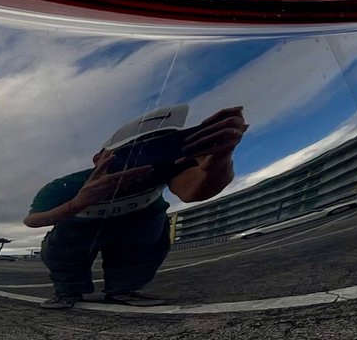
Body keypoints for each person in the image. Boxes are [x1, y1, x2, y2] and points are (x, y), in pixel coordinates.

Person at [24, 104, 247, 309]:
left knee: (148, 241)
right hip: (78, 231)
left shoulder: (164, 171)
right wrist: (77, 203)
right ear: (98, 158)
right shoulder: (67, 185)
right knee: (62, 249)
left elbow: (193, 192)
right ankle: (67, 290)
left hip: (138, 226)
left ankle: (123, 288)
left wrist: (219, 158)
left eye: (158, 148)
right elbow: (33, 220)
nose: (142, 159)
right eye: (129, 152)